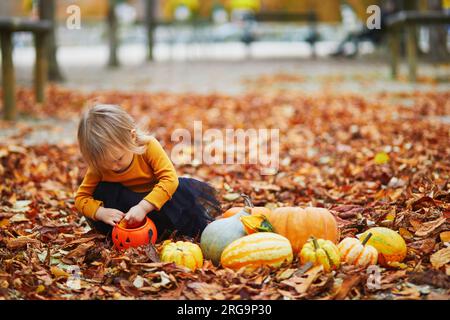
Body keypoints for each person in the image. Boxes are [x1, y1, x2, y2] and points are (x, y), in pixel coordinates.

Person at [75, 104, 221, 241]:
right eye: (105, 164)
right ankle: (131, 232)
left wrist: (143, 207)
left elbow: (170, 179)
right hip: (127, 207)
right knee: (102, 190)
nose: (113, 167)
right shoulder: (99, 165)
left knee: (177, 194)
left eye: (118, 159)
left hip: (159, 202)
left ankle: (166, 229)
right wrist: (100, 212)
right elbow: (81, 197)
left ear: (131, 137)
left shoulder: (148, 146)